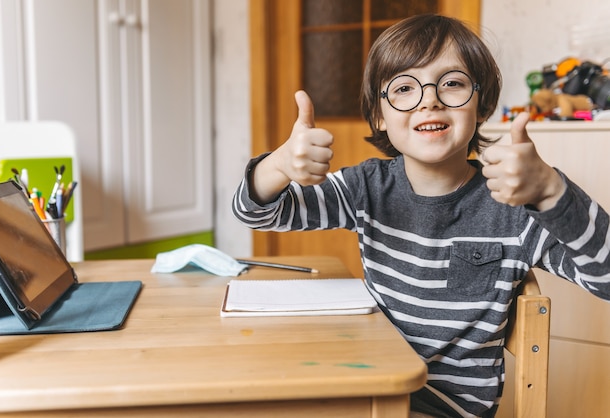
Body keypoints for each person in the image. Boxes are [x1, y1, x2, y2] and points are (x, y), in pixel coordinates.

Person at [232, 13, 610, 418]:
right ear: (379, 115)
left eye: (451, 83)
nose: (429, 98)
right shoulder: (367, 187)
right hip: (368, 384)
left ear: (480, 105)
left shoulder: (514, 206)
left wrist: (552, 190)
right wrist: (278, 165)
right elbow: (258, 213)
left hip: (443, 408)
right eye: (404, 87)